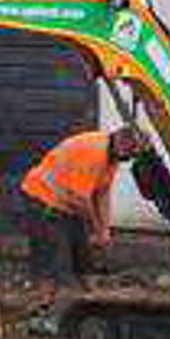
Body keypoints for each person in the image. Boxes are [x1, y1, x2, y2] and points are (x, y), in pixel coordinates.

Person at [19, 123, 148, 309]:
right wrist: (96, 227)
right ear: (123, 142)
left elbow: (102, 195)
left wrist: (105, 231)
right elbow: (80, 200)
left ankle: (93, 299)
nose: (132, 157)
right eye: (133, 151)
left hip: (67, 203)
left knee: (83, 251)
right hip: (43, 199)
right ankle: (43, 308)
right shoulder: (94, 153)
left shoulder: (111, 157)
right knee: (54, 256)